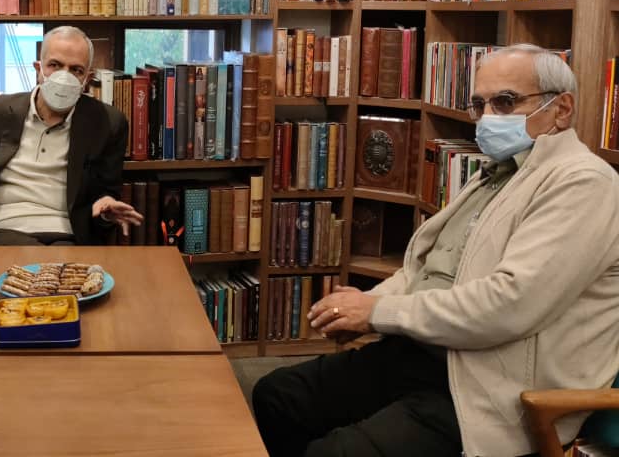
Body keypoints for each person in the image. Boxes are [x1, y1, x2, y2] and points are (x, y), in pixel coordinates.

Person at [251, 44, 619, 457]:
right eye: (479, 105)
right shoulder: (499, 173)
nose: (488, 118)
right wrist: (361, 306)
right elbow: (425, 269)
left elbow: (510, 304)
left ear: (562, 109)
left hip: (493, 387)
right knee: (278, 396)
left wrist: (378, 313)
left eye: (505, 102)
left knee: (334, 453)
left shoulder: (583, 184)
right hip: (428, 352)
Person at [0, 25, 143, 246]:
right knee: (37, 260)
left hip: (68, 236)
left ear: (87, 78)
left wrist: (105, 206)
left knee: (64, 264)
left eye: (76, 70)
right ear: (38, 69)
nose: (64, 77)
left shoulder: (108, 123)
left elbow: (107, 192)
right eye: (55, 65)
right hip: (1, 230)